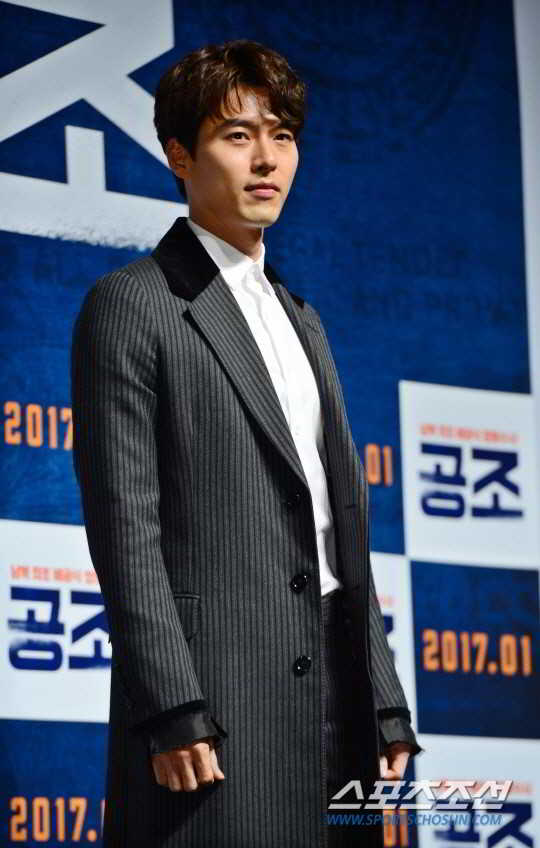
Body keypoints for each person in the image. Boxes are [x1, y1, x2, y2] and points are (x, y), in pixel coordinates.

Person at [71, 39, 420, 848]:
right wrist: (171, 704)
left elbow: (338, 528)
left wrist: (383, 698)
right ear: (179, 156)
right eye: (238, 136)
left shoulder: (304, 319)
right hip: (216, 698)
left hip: (339, 693)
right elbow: (125, 527)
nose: (267, 159)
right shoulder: (133, 303)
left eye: (283, 135)